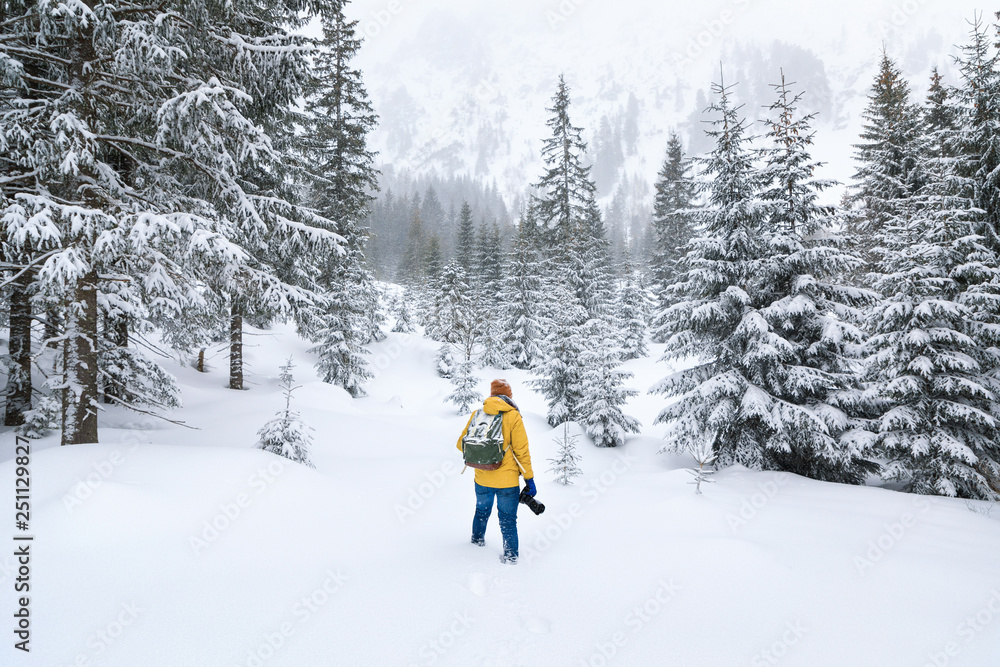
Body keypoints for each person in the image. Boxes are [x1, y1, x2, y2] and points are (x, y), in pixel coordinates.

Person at [456, 379, 536, 564]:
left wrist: (482, 453)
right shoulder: (513, 416)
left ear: (492, 394)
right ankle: (510, 558)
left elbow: (461, 444)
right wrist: (529, 479)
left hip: (482, 479)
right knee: (508, 521)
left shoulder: (478, 414)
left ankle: (476, 546)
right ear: (509, 396)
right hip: (507, 483)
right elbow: (522, 451)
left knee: (481, 512)